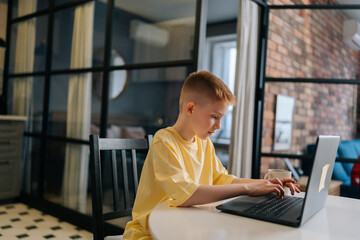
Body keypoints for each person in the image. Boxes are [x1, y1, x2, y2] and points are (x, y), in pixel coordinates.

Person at [123, 71, 300, 239]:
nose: (219, 126)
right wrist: (248, 189)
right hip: (149, 233)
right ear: (190, 109)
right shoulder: (164, 141)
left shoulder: (204, 143)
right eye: (215, 116)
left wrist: (265, 183)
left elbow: (222, 179)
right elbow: (186, 195)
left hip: (186, 226)